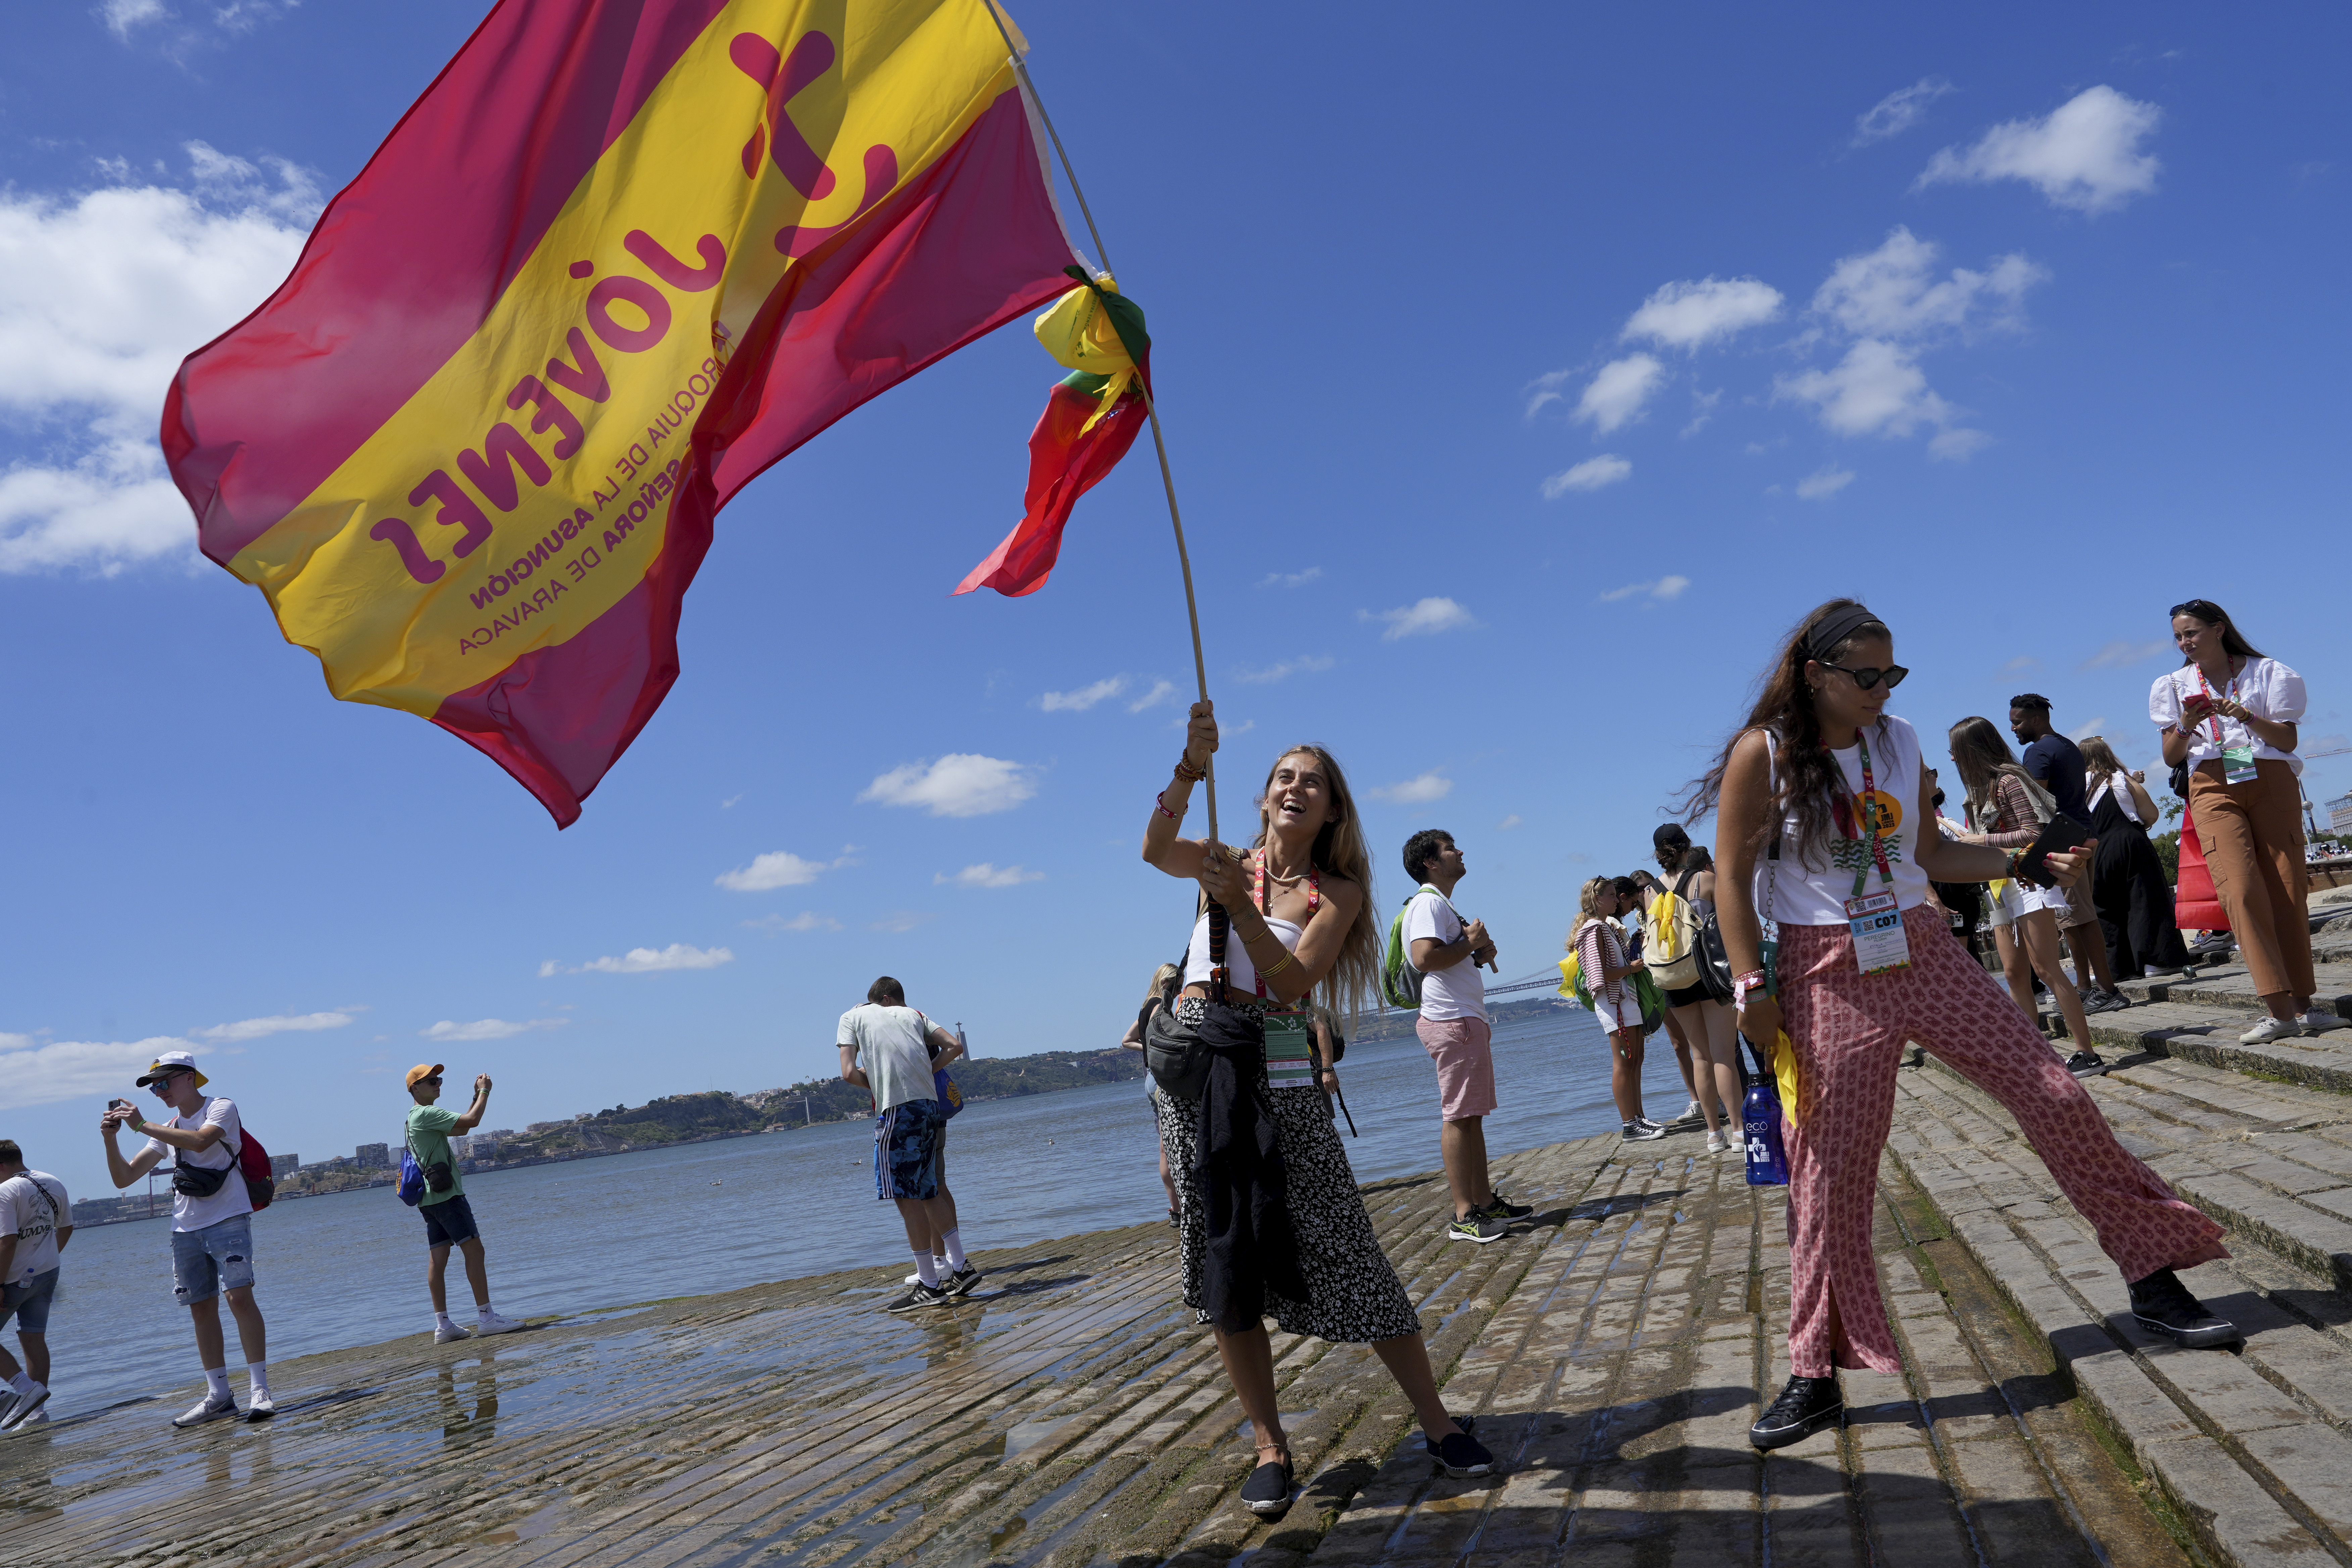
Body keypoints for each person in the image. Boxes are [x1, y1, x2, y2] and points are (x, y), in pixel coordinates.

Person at [1695, 599, 2235, 1453]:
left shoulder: (1900, 739)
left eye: (1891, 674)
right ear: (1814, 674)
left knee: (2055, 1091)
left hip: (1923, 945)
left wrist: (2025, 858)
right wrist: (1750, 986)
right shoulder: (1762, 754)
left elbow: (1928, 859)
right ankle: (1812, 1372)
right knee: (1830, 1171)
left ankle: (2151, 1273)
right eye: (1864, 675)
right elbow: (1729, 874)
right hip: (1822, 967)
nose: (1880, 690)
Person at [1142, 703, 1493, 1515]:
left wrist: (1233, 905)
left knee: (1348, 1245)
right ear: (1264, 797)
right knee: (1224, 1261)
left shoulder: (1338, 890)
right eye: (1283, 778)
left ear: (1333, 808)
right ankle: (1269, 1443)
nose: (1296, 789)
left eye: (1314, 783)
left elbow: (1297, 983)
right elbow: (1156, 847)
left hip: (1283, 1080)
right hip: (1199, 1077)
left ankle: (1436, 1422)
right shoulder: (1221, 857)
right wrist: (1191, 767)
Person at [2152, 600, 2344, 1044]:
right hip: (2211, 783)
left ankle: (2305, 1007)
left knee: (2287, 888)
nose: (2185, 643)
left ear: (2219, 630)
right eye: (2180, 637)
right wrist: (2184, 723)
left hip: (2269, 775)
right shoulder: (2173, 684)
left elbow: (2287, 737)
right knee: (2238, 890)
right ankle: (2278, 1010)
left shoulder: (2269, 673)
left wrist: (2245, 716)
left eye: (2192, 633)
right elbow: (2170, 755)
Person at [99, 1050, 275, 1425]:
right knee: (201, 1307)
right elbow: (124, 1178)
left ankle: (259, 1390)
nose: (160, 1090)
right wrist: (111, 1140)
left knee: (239, 1297)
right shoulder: (167, 1125)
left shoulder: (221, 1107)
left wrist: (141, 1125)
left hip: (228, 1217)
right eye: (154, 1086)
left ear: (190, 1077)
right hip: (184, 1227)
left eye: (165, 1081)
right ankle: (219, 1395)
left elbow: (200, 1141)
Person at [1948, 717, 2109, 1078]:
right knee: (2014, 973)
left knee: (2047, 969)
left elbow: (2031, 832)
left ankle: (2087, 1052)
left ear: (1970, 750)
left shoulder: (2007, 780)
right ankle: (2035, 1056)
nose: (1953, 760)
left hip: (2029, 883)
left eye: (1955, 752)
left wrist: (1980, 840)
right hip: (2001, 885)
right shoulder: (1981, 788)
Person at [1400, 829, 1532, 1243]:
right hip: (1451, 1021)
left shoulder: (1442, 905)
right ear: (1431, 862)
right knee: (1458, 1116)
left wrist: (1475, 951)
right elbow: (1424, 958)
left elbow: (1446, 957)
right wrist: (1469, 943)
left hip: (1463, 1019)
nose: (1460, 851)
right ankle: (1463, 1215)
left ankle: (1484, 1202)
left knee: (1471, 1117)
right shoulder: (1427, 903)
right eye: (1450, 848)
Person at [839, 977, 980, 1310]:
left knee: (906, 1196)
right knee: (929, 1188)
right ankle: (960, 1267)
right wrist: (925, 1073)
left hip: (898, 1110)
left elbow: (847, 1072)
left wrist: (878, 1084)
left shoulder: (851, 1017)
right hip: (931, 1107)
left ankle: (929, 1284)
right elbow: (955, 1046)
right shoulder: (915, 1014)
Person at [2010, 695, 2127, 1013]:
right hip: (2082, 832)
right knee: (2075, 918)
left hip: (2061, 840)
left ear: (2036, 719)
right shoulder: (2067, 746)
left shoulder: (2038, 751)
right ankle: (2089, 987)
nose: (2013, 729)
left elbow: (2034, 803)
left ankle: (2104, 990)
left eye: (2018, 722)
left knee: (2078, 918)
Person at [403, 1065, 523, 1343]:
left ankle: (443, 1326)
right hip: (448, 1197)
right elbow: (473, 1121)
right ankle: (487, 1318)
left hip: (429, 1199)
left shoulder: (414, 1118)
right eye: (431, 1081)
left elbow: (462, 1130)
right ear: (414, 1089)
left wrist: (473, 1097)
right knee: (475, 1250)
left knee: (438, 1258)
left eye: (439, 1079)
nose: (437, 1084)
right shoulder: (426, 1113)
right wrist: (484, 1092)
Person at [1651, 828, 1747, 1155]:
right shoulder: (1704, 881)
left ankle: (1712, 1134)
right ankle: (1737, 1131)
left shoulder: (1650, 892)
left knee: (1699, 1056)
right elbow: (1731, 922)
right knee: (1724, 1055)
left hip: (1674, 978)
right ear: (1686, 847)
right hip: (1709, 974)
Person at [2079, 736, 2194, 982]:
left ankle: (2118, 969)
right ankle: (2155, 961)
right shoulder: (2121, 779)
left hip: (2095, 852)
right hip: (2129, 843)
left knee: (2106, 908)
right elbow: (2151, 813)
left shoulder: (2074, 789)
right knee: (2145, 900)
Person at [1620, 874, 1713, 1128]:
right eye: (1637, 890)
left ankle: (1713, 1098)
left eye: (1644, 888)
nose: (1641, 893)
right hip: (1657, 979)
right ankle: (1696, 1100)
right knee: (1678, 1044)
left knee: (1701, 1042)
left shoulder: (1665, 901)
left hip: (1679, 971)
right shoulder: (1641, 915)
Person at [1572, 878, 1663, 1141]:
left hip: (1625, 999)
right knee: (1623, 1063)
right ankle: (1629, 1126)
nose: (1616, 900)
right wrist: (1631, 969)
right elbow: (1597, 973)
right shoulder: (1594, 930)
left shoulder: (1605, 927)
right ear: (1597, 899)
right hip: (1614, 1003)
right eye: (1611, 896)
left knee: (1633, 1062)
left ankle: (1638, 1118)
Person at [0, 1142, 71, 1431]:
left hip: (15, 1277)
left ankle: (25, 1389)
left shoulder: (6, 1191)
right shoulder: (52, 1181)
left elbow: (7, 1241)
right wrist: (45, 1258)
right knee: (33, 1338)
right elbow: (65, 1228)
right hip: (47, 1273)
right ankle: (36, 1414)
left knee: (31, 1339)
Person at [1120, 960, 1186, 1221]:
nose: (1182, 989)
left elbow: (1127, 1041)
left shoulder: (1145, 1008)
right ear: (1166, 983)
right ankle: (1185, 1209)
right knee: (1179, 1143)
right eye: (1179, 984)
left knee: (1164, 1148)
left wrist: (1148, 1050)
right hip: (1163, 1080)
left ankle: (1176, 1210)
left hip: (1150, 1080)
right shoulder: (1162, 1006)